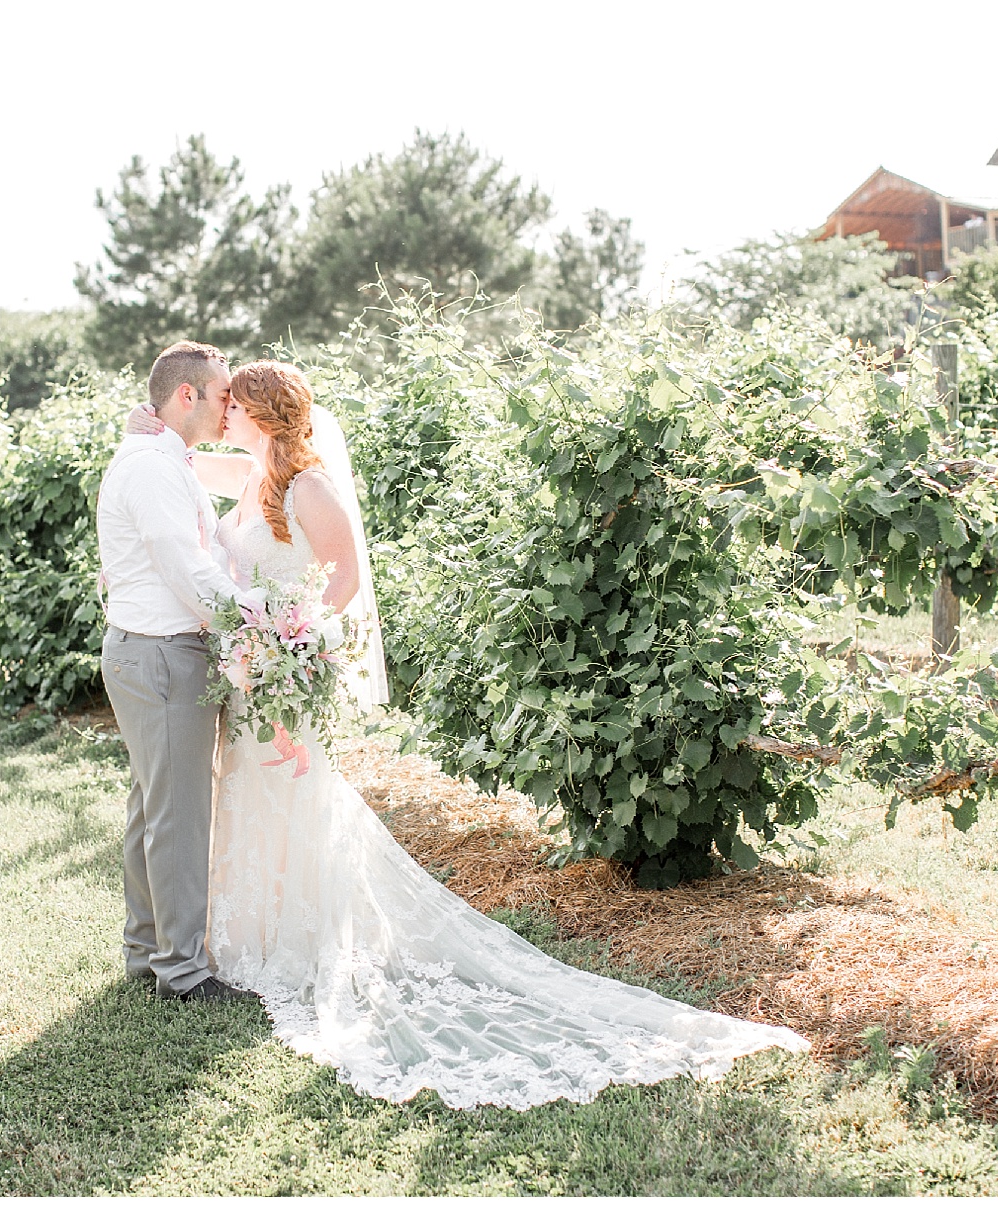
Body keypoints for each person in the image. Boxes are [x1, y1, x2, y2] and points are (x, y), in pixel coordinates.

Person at [121, 360, 810, 1109]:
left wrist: (301, 636)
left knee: (295, 798)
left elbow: (344, 575)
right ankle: (240, 936)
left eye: (235, 403)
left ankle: (299, 939)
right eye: (218, 400)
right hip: (251, 673)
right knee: (243, 800)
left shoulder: (310, 485)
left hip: (281, 666)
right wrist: (148, 429)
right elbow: (191, 461)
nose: (224, 412)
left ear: (262, 411)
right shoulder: (251, 472)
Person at [94, 341, 257, 1004]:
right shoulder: (151, 468)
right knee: (180, 815)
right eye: (222, 394)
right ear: (186, 395)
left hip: (149, 649)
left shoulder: (165, 457)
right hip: (162, 653)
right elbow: (185, 568)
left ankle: (147, 948)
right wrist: (257, 625)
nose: (230, 407)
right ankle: (182, 973)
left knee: (154, 809)